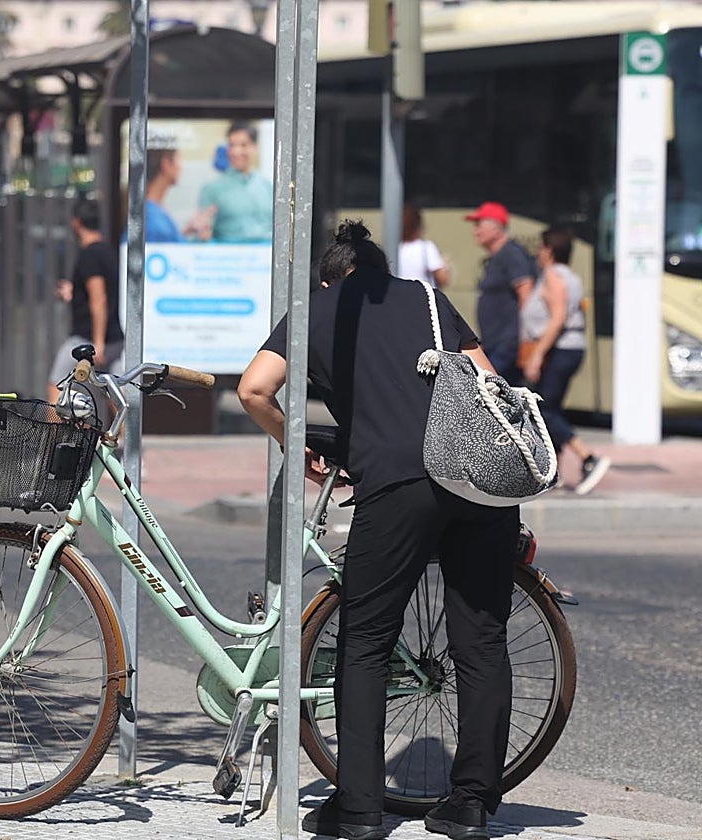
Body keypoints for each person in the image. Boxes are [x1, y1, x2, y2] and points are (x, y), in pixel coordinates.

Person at [239, 221, 516, 840]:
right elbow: (489, 384)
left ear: (330, 278)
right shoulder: (428, 299)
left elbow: (254, 389)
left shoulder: (318, 309)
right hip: (479, 481)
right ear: (383, 269)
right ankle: (469, 805)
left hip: (398, 485)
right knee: (482, 641)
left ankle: (359, 811)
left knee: (365, 642)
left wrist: (297, 444)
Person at [521, 226, 612, 495]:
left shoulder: (552, 275)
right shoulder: (570, 275)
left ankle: (588, 458)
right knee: (551, 408)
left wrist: (537, 354)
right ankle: (554, 472)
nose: (537, 252)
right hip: (567, 348)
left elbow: (558, 317)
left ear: (548, 251)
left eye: (540, 247)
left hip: (559, 349)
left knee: (544, 409)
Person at [47, 199, 124, 404]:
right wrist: (74, 292)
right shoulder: (107, 252)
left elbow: (99, 299)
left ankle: (54, 434)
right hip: (114, 338)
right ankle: (124, 436)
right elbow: (99, 291)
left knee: (58, 385)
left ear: (77, 222)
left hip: (88, 338)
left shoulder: (89, 255)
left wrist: (97, 342)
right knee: (115, 396)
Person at [467, 201, 534, 385]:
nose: (475, 231)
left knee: (485, 389)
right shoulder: (495, 258)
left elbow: (526, 294)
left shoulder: (511, 255)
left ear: (496, 229)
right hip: (496, 343)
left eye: (479, 225)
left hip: (508, 343)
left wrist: (521, 339)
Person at [192, 121, 273, 243]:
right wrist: (201, 233)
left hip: (267, 257)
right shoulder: (212, 189)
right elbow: (202, 235)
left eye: (243, 145)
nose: (236, 152)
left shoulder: (270, 187)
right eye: (232, 145)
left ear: (255, 147)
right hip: (227, 258)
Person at [397, 202, 450, 288]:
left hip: (399, 296)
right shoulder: (426, 247)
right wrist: (445, 265)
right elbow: (443, 279)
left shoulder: (391, 248)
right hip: (423, 297)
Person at [145, 147, 185, 243]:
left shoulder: (155, 209)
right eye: (178, 160)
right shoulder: (153, 218)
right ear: (166, 164)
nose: (181, 167)